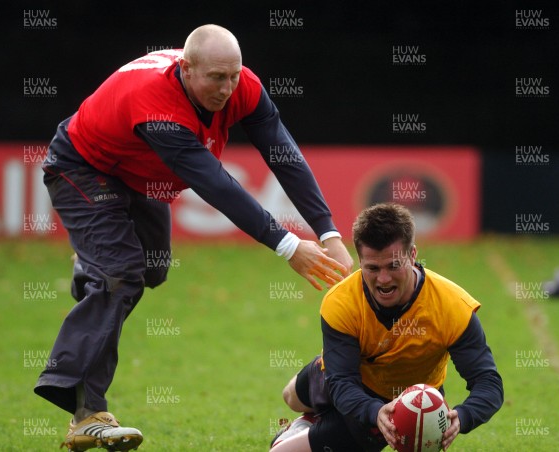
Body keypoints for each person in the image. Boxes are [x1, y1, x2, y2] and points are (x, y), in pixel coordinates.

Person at [35, 24, 353, 451]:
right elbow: (216, 185)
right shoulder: (157, 107)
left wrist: (328, 230)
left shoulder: (244, 86)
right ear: (186, 69)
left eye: (233, 76)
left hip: (139, 175)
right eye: (215, 78)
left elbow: (283, 153)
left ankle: (92, 269)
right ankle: (85, 411)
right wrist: (289, 245)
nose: (226, 89)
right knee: (120, 276)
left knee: (152, 270)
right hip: (83, 166)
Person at [270, 203, 504, 451]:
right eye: (372, 268)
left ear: (412, 255)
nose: (383, 279)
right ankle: (311, 415)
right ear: (360, 261)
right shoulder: (341, 301)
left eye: (393, 266)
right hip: (345, 380)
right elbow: (342, 383)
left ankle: (307, 429)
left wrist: (462, 416)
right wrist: (373, 410)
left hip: (405, 406)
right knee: (290, 396)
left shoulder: (452, 306)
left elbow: (489, 383)